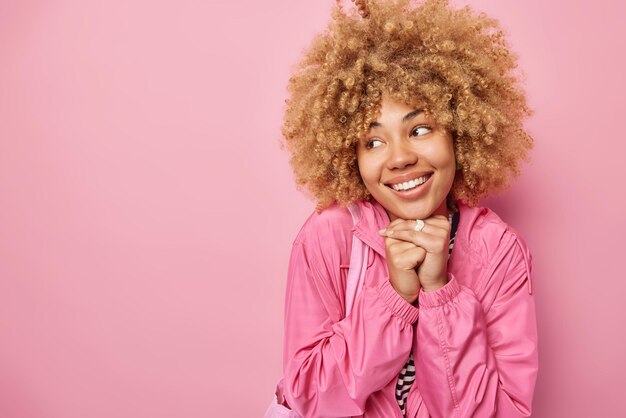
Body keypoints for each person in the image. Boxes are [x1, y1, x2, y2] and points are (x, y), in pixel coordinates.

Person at [276, 0, 538, 417]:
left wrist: (438, 292)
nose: (398, 159)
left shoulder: (498, 251)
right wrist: (394, 297)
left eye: (419, 129)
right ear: (350, 156)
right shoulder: (329, 237)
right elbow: (308, 399)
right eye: (373, 141)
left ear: (459, 132)